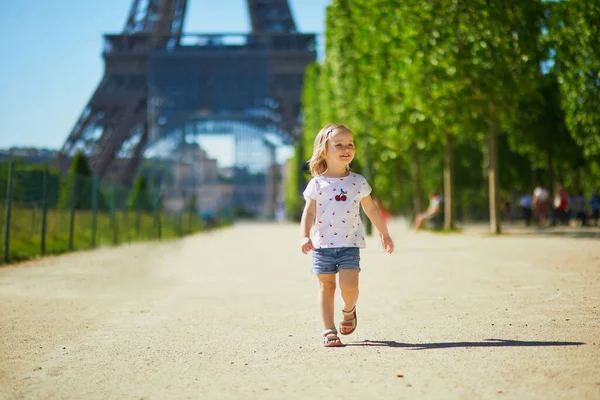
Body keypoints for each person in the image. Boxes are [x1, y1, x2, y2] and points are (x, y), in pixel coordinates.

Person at [300, 123, 394, 348]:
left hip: (349, 244)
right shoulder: (317, 183)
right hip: (322, 245)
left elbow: (370, 209)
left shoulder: (358, 182)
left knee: (350, 288)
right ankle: (329, 330)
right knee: (327, 287)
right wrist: (304, 236)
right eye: (339, 144)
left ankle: (349, 309)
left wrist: (384, 233)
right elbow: (309, 211)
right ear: (324, 150)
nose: (346, 148)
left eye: (350, 144)